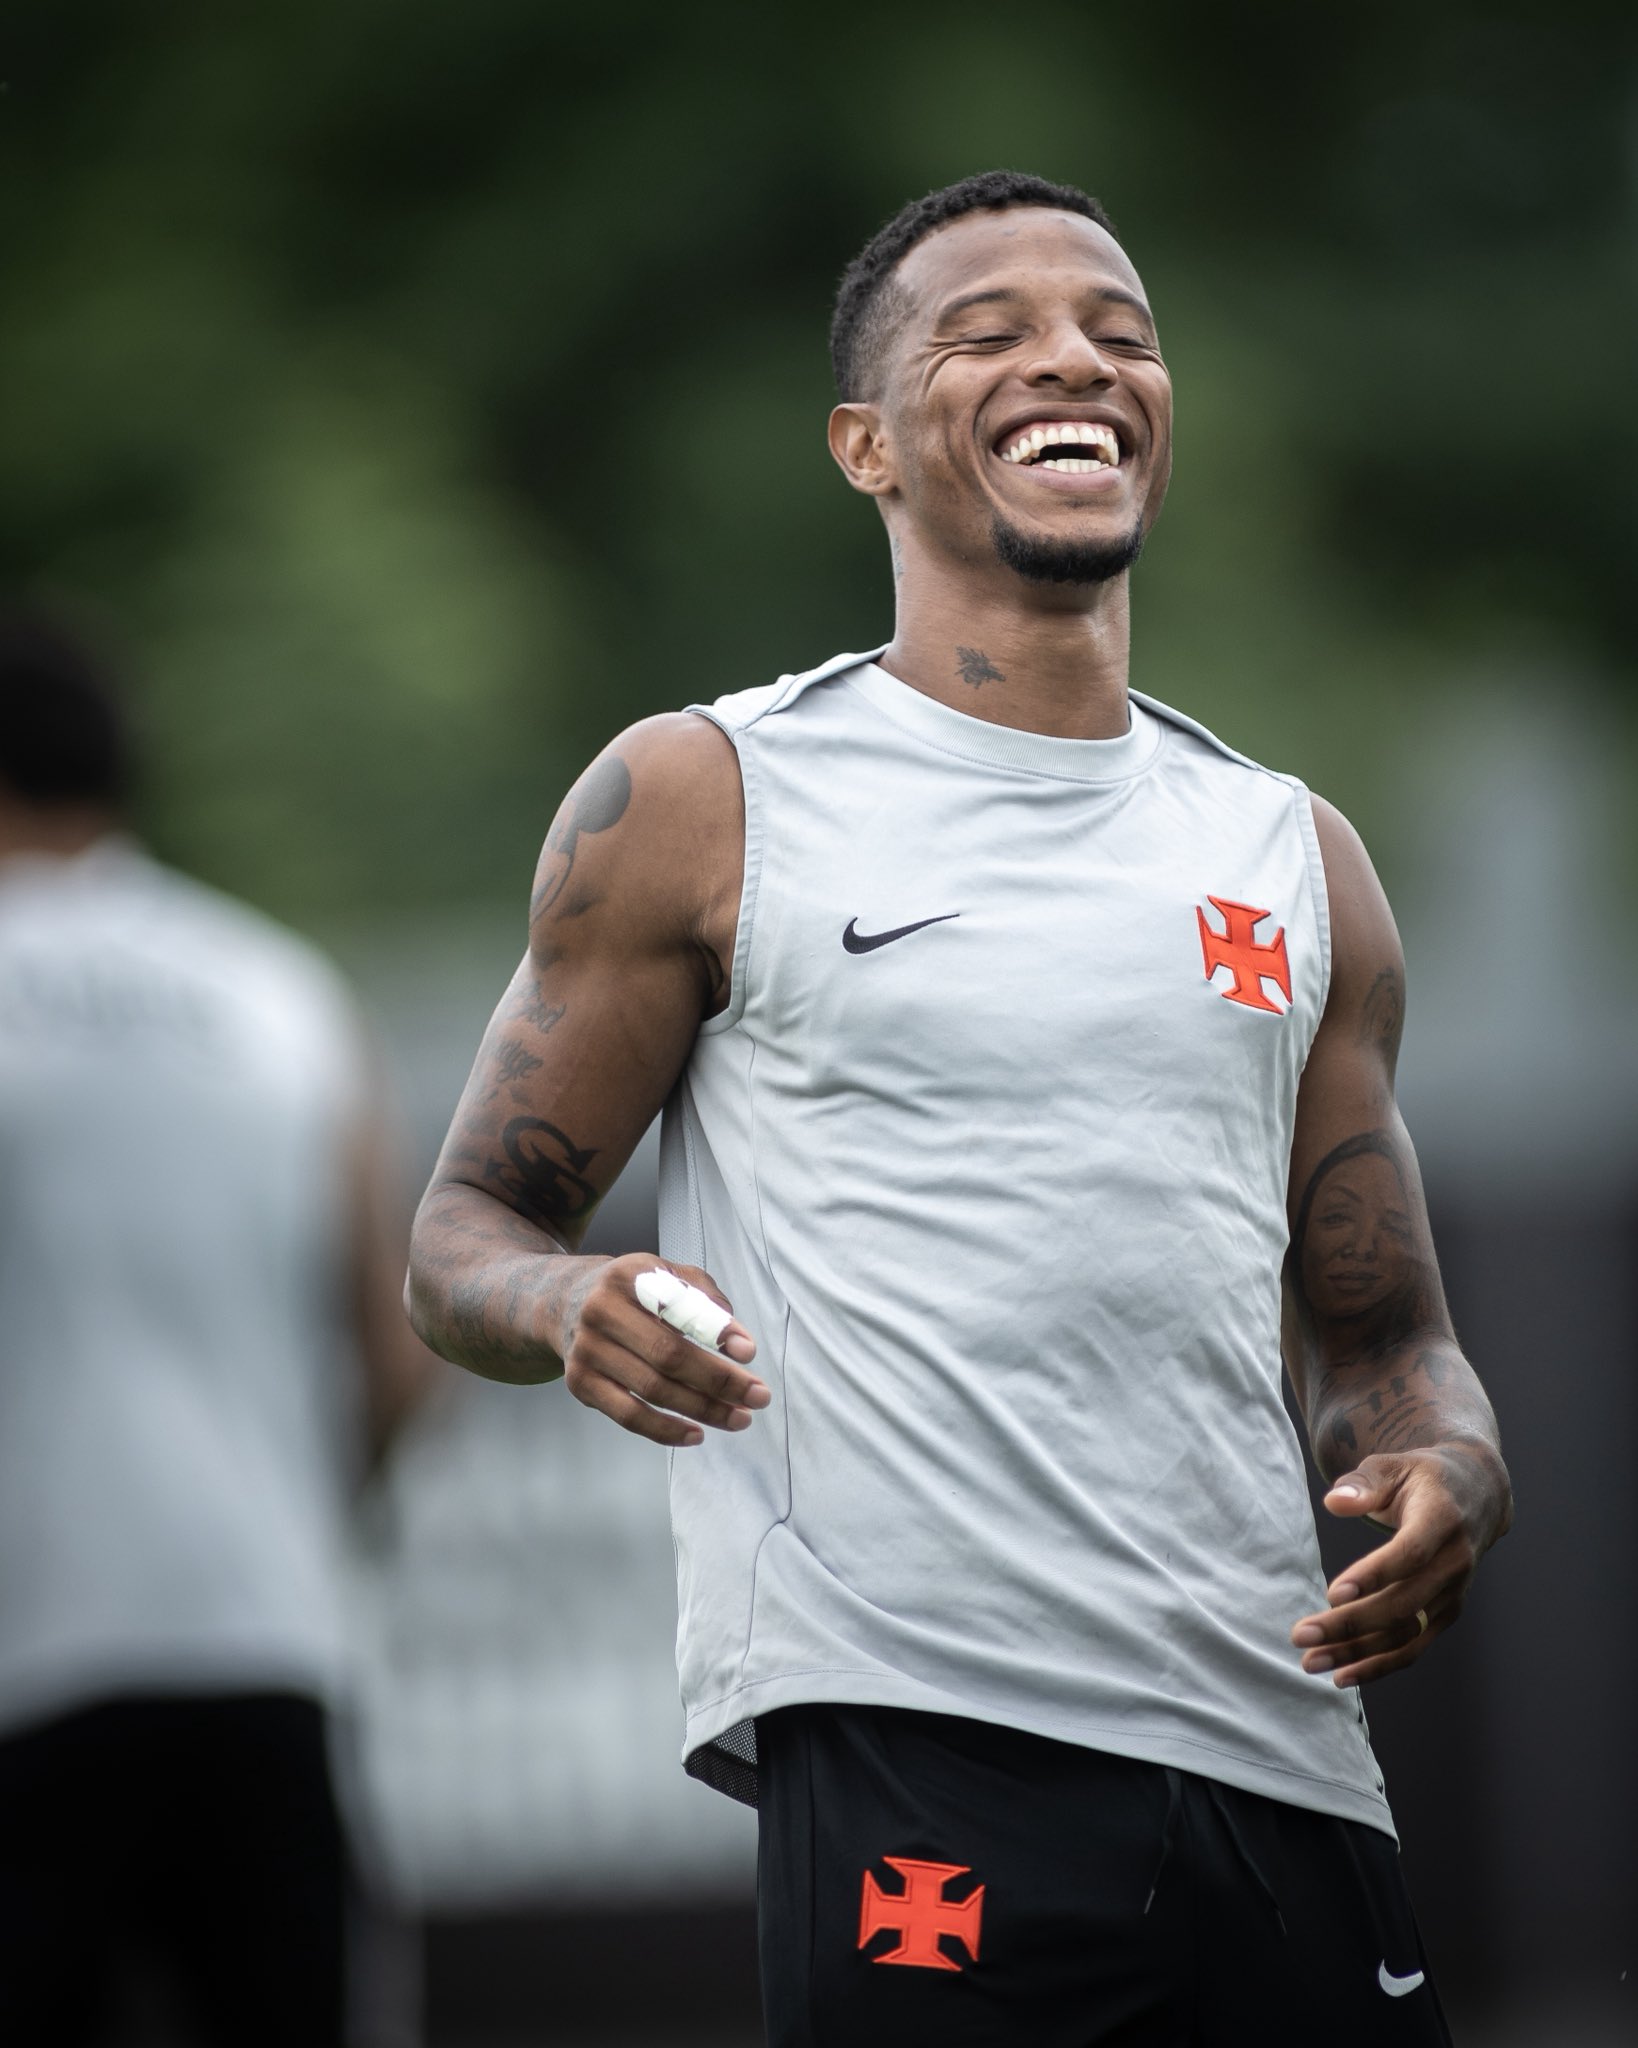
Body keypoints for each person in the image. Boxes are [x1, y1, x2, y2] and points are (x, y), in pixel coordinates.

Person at [407, 171, 1512, 2045]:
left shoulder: (1294, 855)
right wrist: (569, 1299)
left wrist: (1451, 1463)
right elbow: (460, 1243)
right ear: (864, 448)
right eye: (988, 334)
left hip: (1285, 1751)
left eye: (1117, 334)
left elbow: (1384, 1342)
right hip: (922, 1742)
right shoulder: (706, 795)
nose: (1072, 359)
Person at [0, 609, 438, 2046]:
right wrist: (299, 1520)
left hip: (31, 1665)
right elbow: (398, 1350)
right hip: (269, 1651)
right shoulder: (277, 990)